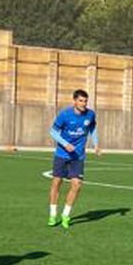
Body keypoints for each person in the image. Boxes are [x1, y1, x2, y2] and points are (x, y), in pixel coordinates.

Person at [48, 88, 97, 228]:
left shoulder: (90, 115)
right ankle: (52, 214)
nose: (83, 103)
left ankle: (66, 215)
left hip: (78, 156)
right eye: (81, 101)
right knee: (56, 183)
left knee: (77, 184)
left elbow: (92, 128)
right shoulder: (65, 115)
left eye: (85, 101)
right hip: (62, 155)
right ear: (74, 101)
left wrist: (96, 144)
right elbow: (53, 132)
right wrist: (65, 144)